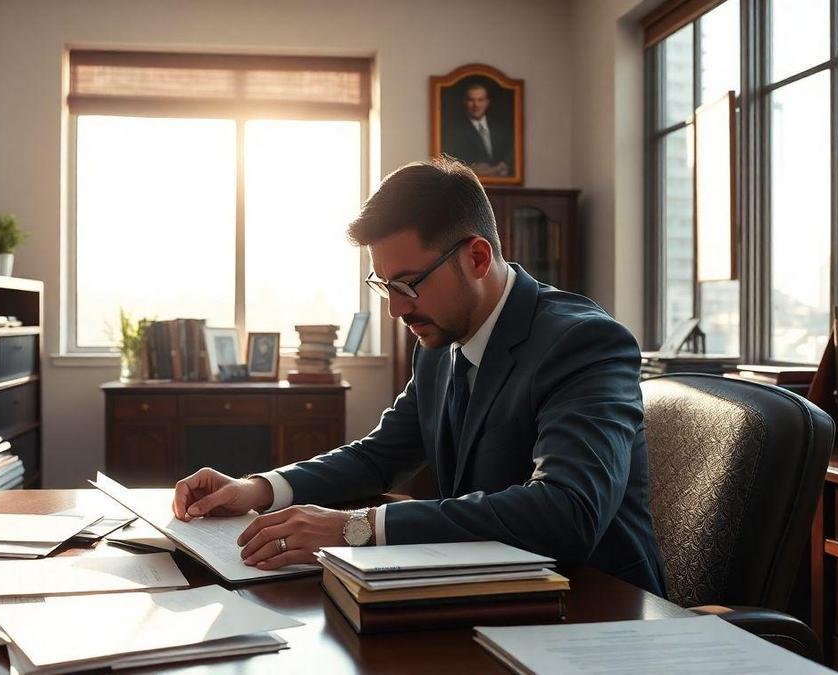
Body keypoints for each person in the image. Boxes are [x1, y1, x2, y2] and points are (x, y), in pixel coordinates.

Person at [172, 158, 666, 596]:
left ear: (477, 258)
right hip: (485, 596)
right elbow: (380, 455)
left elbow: (566, 511)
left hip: (595, 608)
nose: (396, 309)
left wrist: (354, 527)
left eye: (408, 284)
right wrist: (257, 488)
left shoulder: (583, 343)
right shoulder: (439, 341)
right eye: (385, 286)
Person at [440, 81, 512, 177]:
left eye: (480, 100)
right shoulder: (453, 131)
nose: (476, 105)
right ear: (465, 102)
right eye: (471, 100)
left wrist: (502, 166)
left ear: (487, 102)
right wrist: (472, 169)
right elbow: (449, 161)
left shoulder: (501, 128)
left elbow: (511, 157)